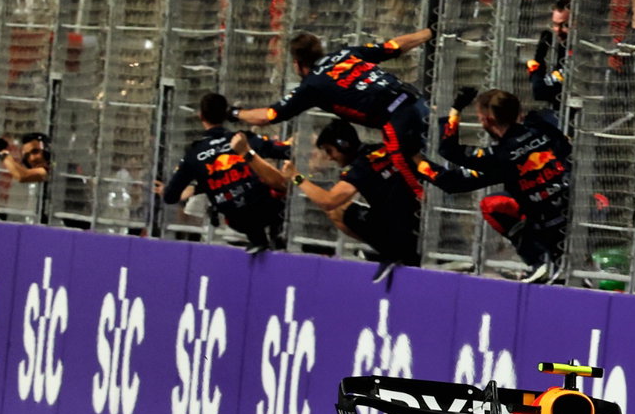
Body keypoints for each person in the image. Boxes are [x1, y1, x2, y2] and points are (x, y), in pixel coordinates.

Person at [231, 28, 434, 202]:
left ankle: (427, 208)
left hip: (397, 120)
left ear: (297, 64)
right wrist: (430, 31)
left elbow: (269, 115)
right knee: (434, 156)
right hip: (418, 101)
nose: (329, 158)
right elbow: (394, 46)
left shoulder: (311, 86)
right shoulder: (347, 53)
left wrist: (235, 113)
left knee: (419, 186)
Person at [428, 88, 572, 282]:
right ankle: (553, 260)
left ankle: (538, 259)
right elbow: (564, 145)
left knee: (492, 204)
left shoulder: (499, 156)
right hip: (577, 209)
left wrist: (456, 109)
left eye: (480, 118)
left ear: (487, 120)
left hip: (546, 223)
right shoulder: (541, 126)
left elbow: (448, 150)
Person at [274, 119, 426, 283]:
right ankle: (395, 250)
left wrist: (296, 177)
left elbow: (328, 201)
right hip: (419, 221)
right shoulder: (380, 149)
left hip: (400, 233)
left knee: (337, 210)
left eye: (330, 151)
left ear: (344, 145)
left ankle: (393, 252)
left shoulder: (361, 167)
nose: (330, 158)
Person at [159, 93, 290, 253]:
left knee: (234, 205)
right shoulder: (243, 138)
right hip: (269, 208)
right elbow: (285, 151)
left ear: (201, 116)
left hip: (237, 221)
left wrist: (197, 186)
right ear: (225, 114)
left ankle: (262, 240)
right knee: (273, 188)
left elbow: (170, 197)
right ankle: (278, 237)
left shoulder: (193, 154)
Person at [529, 0, 570, 117]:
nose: (558, 30)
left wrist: (539, 57)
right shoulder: (562, 48)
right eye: (555, 25)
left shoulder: (579, 51)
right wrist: (539, 55)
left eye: (565, 25)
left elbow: (540, 88)